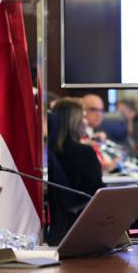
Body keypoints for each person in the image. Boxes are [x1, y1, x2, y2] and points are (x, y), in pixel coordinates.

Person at [46, 97, 103, 243]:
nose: (86, 121)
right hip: (85, 224)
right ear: (75, 121)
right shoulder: (85, 152)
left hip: (57, 228)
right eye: (83, 116)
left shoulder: (47, 153)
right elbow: (98, 193)